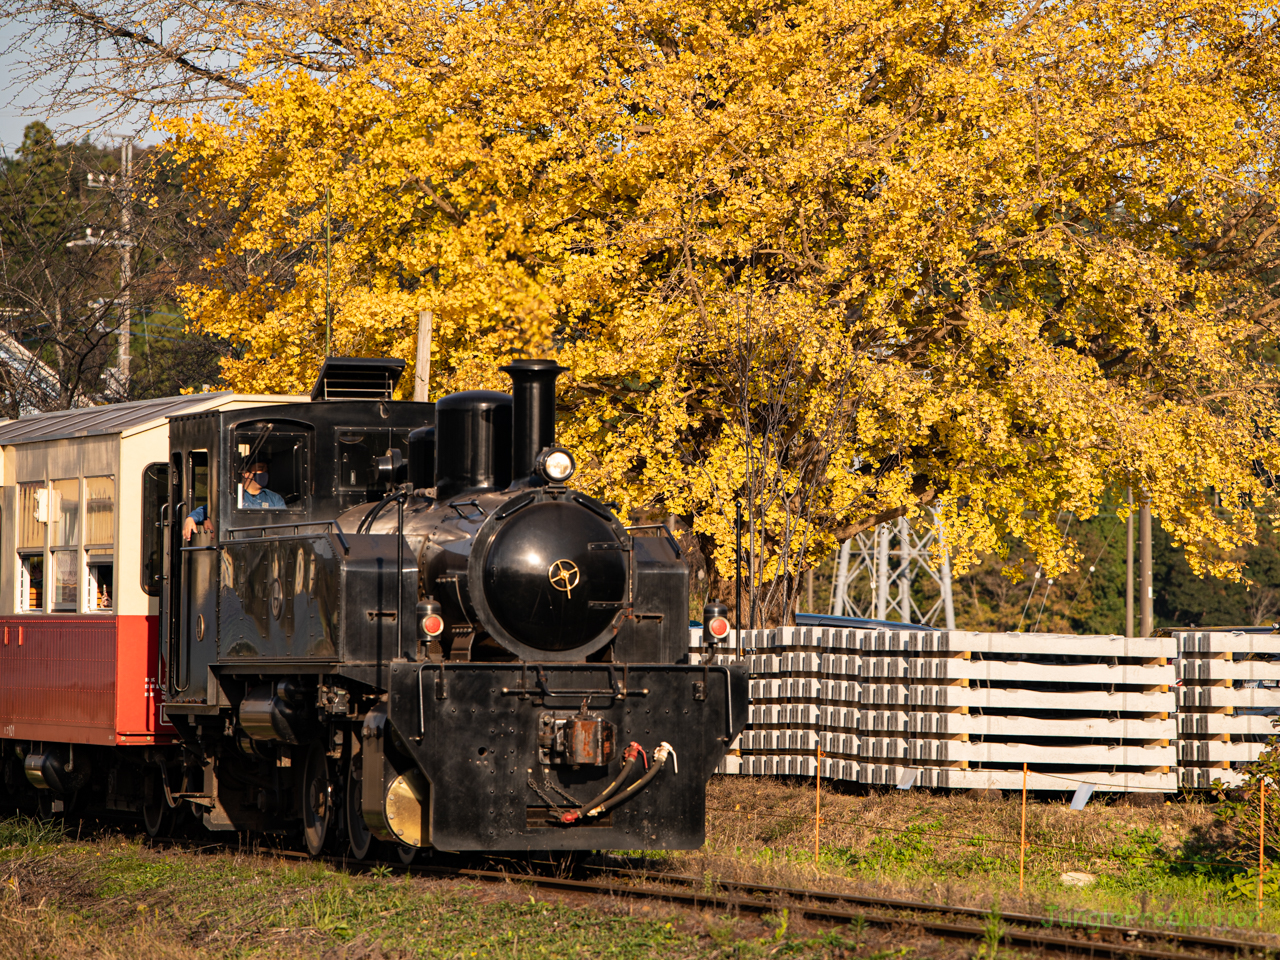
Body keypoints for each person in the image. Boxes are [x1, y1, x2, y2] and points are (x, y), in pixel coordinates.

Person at [183, 460, 286, 540]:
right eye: (260, 468)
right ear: (245, 473)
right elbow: (209, 508)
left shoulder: (275, 499)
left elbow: (284, 524)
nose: (264, 473)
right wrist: (191, 518)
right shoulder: (232, 496)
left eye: (266, 469)